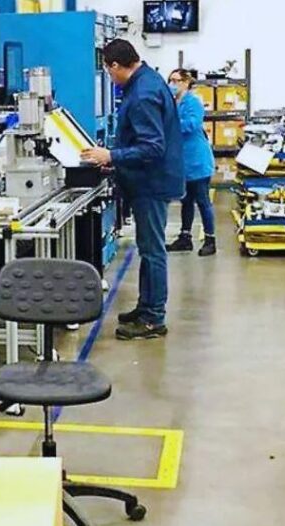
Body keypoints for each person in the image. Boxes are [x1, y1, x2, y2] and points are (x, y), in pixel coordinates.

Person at [82, 40, 184, 340]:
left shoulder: (142, 94)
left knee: (153, 251)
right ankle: (146, 306)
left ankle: (153, 319)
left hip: (152, 184)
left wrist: (111, 156)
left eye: (108, 71)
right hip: (149, 180)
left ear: (115, 65)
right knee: (147, 248)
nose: (110, 77)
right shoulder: (146, 80)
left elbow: (152, 147)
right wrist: (115, 161)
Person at [166, 69, 217, 256]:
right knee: (186, 200)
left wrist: (169, 125)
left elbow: (191, 124)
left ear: (186, 82)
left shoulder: (193, 102)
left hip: (197, 161)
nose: (172, 84)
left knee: (203, 201)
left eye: (176, 80)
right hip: (182, 163)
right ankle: (185, 238)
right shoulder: (172, 103)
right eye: (170, 80)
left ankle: (210, 240)